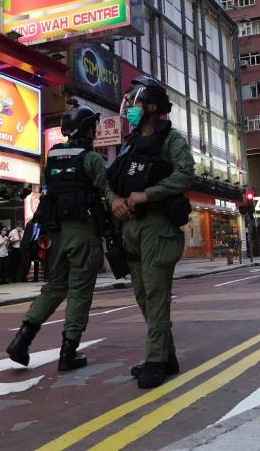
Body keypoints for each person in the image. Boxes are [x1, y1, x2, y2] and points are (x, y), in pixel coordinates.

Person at [107, 76, 194, 389]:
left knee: (156, 296)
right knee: (144, 296)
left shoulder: (171, 140)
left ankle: (155, 361)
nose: (130, 107)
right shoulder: (129, 145)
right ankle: (166, 355)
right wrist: (114, 199)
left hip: (158, 229)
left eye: (135, 102)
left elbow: (186, 174)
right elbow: (110, 181)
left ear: (153, 106)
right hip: (130, 229)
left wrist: (150, 193)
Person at [7, 104, 107, 371]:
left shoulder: (52, 157)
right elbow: (107, 193)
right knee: (79, 292)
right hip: (82, 233)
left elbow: (49, 190)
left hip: (54, 235)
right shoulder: (91, 158)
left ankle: (21, 340)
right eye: (93, 126)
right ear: (87, 129)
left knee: (53, 287)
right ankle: (68, 352)